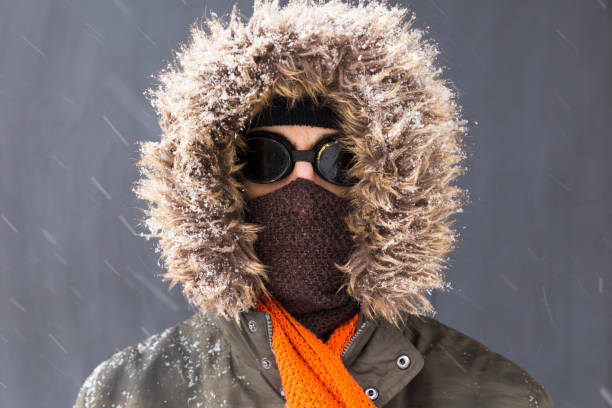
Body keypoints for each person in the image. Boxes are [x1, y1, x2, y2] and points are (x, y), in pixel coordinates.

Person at [73, 0, 554, 407]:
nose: (303, 188)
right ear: (217, 183)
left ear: (393, 184)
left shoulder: (495, 395)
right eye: (265, 157)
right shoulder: (129, 393)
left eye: (338, 159)